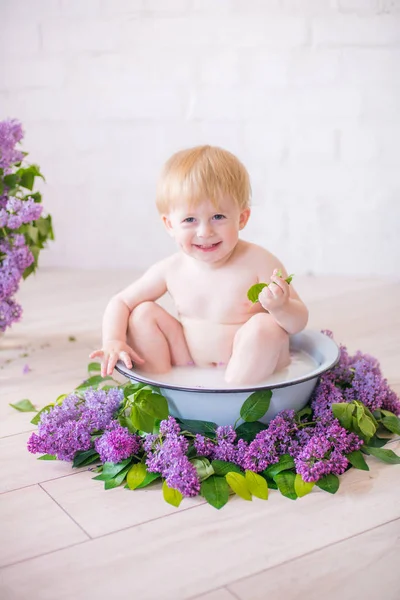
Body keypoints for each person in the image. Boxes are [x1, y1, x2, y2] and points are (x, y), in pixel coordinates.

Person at [90, 145, 308, 385]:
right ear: (170, 224)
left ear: (242, 218)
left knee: (265, 325)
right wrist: (113, 340)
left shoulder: (259, 262)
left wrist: (281, 307)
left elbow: (298, 324)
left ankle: (235, 397)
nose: (205, 232)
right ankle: (160, 385)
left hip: (253, 370)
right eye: (190, 220)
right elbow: (120, 301)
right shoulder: (171, 269)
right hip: (190, 362)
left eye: (218, 217)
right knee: (142, 314)